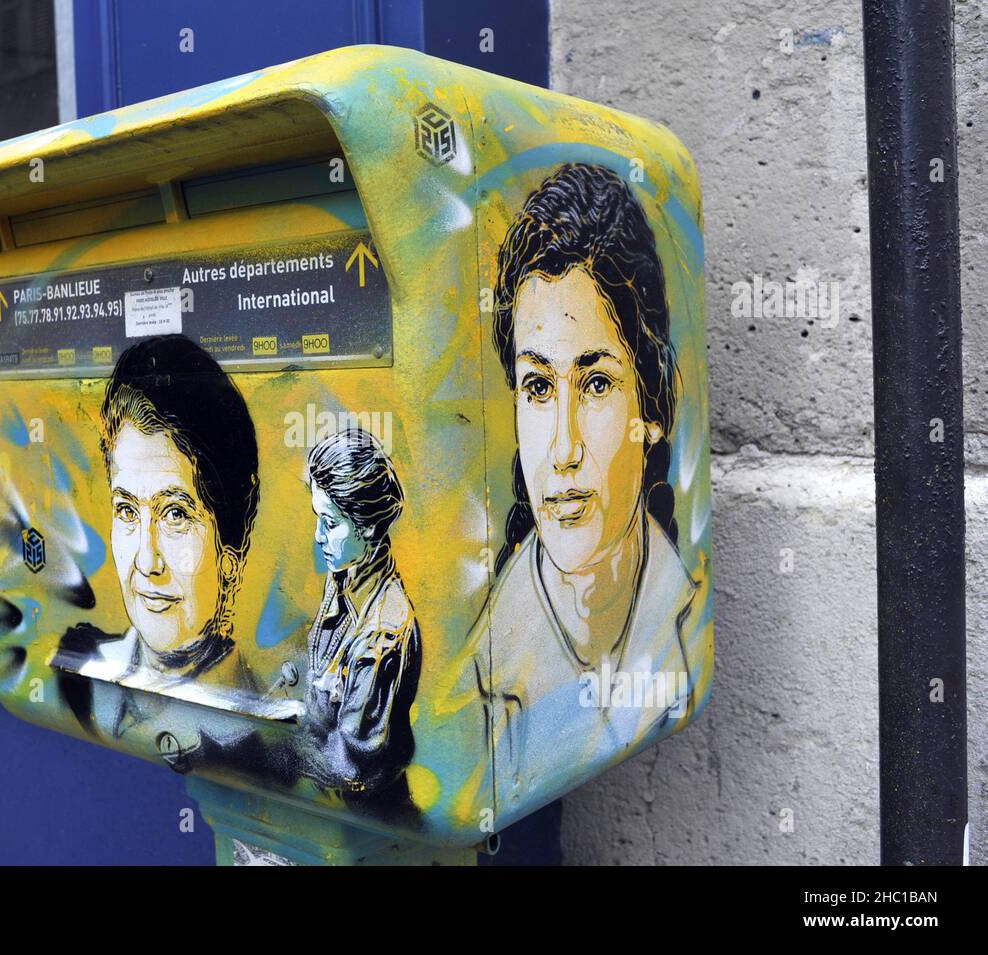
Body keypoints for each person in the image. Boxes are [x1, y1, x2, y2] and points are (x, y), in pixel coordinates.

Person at [467, 163, 704, 813]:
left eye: (596, 382)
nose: (564, 449)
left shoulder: (684, 610)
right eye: (538, 388)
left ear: (652, 404)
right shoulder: (478, 672)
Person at [54, 335, 295, 745]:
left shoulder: (263, 734)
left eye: (176, 515)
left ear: (230, 555)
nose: (148, 561)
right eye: (127, 511)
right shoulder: (83, 676)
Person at [302, 427, 420, 816]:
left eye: (330, 523)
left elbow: (351, 764)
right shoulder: (345, 579)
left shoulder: (382, 631)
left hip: (366, 818)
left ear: (367, 527)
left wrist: (263, 752)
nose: (318, 536)